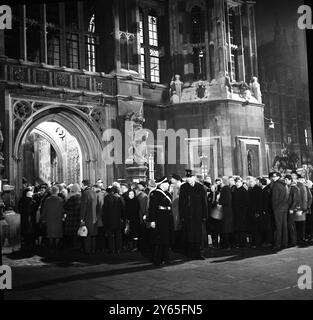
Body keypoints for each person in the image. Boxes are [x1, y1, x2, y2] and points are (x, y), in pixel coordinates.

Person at [179, 169, 208, 260]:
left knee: (198, 235)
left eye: (191, 177)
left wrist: (204, 215)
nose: (189, 179)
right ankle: (190, 254)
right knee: (189, 235)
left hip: (198, 215)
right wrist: (182, 215)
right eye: (188, 177)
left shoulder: (200, 187)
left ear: (195, 177)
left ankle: (198, 253)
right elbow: (181, 203)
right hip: (188, 216)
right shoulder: (183, 187)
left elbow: (204, 202)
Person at [147, 177, 174, 266]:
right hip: (159, 219)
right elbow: (152, 209)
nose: (168, 185)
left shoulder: (167, 194)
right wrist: (152, 220)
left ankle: (165, 257)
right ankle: (157, 258)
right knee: (158, 240)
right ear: (161, 184)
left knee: (166, 239)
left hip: (167, 218)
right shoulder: (155, 193)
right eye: (166, 183)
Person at [102, 186, 125, 254]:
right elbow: (123, 209)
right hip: (118, 219)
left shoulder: (107, 198)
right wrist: (123, 218)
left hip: (109, 219)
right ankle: (118, 249)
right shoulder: (120, 198)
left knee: (110, 235)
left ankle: (111, 249)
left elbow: (104, 209)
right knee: (118, 235)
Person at [41, 185, 64, 250]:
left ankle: (51, 247)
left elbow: (44, 210)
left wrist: (43, 219)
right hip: (58, 218)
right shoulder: (61, 200)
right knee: (58, 233)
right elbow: (63, 210)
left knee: (50, 233)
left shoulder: (47, 200)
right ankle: (56, 247)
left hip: (50, 219)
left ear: (51, 192)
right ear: (57, 192)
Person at [271, 172, 289, 250]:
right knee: (284, 226)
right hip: (284, 207)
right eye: (272, 176)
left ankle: (278, 244)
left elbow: (274, 198)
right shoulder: (285, 184)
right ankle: (285, 243)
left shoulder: (276, 185)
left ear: (278, 176)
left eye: (274, 176)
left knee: (278, 227)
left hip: (278, 208)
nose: (273, 178)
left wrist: (274, 207)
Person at [80, 180, 98, 254]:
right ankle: (93, 250)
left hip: (87, 216)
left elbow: (83, 206)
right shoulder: (94, 192)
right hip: (94, 217)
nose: (81, 186)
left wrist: (82, 218)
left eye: (82, 185)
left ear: (85, 185)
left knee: (87, 235)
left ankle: (87, 250)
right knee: (93, 235)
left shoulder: (85, 193)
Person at [63, 183, 81, 250]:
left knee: (72, 233)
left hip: (70, 217)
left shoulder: (70, 198)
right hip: (78, 217)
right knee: (77, 232)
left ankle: (72, 246)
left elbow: (65, 207)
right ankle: (77, 245)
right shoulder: (81, 197)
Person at [232, 177, 249, 248]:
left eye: (238, 182)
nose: (237, 183)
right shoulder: (236, 190)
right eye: (236, 182)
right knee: (238, 228)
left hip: (241, 213)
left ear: (241, 182)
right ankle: (239, 242)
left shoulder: (243, 190)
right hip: (236, 212)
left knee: (242, 229)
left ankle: (243, 243)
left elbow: (246, 202)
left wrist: (243, 212)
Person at [170, 174, 183, 253]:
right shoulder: (177, 186)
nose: (171, 179)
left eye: (172, 178)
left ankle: (177, 246)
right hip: (177, 208)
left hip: (176, 209)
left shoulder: (176, 187)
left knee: (176, 226)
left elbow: (174, 200)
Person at [285, 175, 299, 247]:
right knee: (290, 225)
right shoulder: (288, 187)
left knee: (291, 225)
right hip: (288, 208)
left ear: (290, 180)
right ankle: (292, 240)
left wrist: (292, 209)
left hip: (291, 209)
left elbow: (295, 200)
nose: (285, 181)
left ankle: (293, 241)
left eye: (287, 180)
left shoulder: (294, 188)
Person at [219, 177, 233, 249]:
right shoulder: (227, 188)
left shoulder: (225, 189)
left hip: (226, 212)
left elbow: (226, 200)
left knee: (225, 229)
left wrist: (219, 200)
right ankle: (226, 244)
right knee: (226, 228)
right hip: (227, 211)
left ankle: (226, 244)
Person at [259, 178, 273, 247]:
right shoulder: (267, 189)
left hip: (266, 211)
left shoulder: (265, 190)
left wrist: (264, 210)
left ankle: (268, 241)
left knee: (267, 227)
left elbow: (266, 201)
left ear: (261, 183)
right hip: (267, 211)